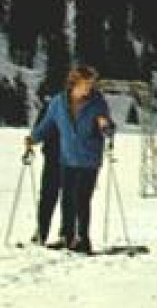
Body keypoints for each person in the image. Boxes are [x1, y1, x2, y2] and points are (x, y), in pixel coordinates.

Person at [26, 65, 113, 255]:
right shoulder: (58, 103)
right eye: (85, 84)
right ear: (74, 83)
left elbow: (108, 127)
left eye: (91, 84)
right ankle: (67, 236)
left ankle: (83, 238)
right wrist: (33, 138)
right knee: (67, 198)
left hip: (89, 157)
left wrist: (106, 126)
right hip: (67, 157)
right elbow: (47, 125)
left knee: (82, 198)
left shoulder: (98, 102)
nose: (89, 88)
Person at [30, 96, 62, 245]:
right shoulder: (53, 105)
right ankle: (42, 231)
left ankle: (66, 233)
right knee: (48, 196)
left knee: (69, 198)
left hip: (74, 158)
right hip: (54, 156)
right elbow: (41, 128)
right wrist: (33, 139)